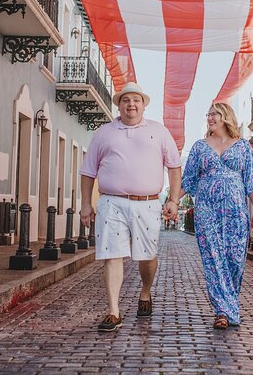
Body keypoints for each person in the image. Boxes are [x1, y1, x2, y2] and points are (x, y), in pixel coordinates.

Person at [79, 82, 181, 332]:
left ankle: (145, 292)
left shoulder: (159, 131)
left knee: (147, 256)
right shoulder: (104, 132)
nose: (131, 104)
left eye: (136, 100)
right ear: (119, 105)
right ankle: (113, 311)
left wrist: (174, 200)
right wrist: (85, 204)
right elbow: (88, 171)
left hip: (147, 203)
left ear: (144, 105)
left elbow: (175, 166)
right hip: (110, 202)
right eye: (126, 100)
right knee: (111, 255)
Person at [180, 102, 253, 329]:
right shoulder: (199, 147)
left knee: (235, 259)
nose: (209, 118)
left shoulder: (243, 147)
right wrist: (170, 200)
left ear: (226, 116)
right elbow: (187, 180)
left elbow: (251, 182)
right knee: (214, 259)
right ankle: (223, 312)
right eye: (208, 114)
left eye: (214, 114)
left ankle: (229, 302)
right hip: (207, 211)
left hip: (236, 212)